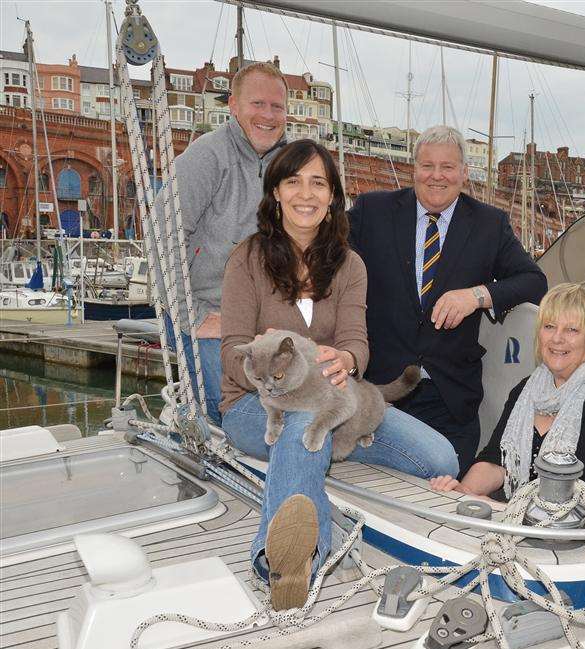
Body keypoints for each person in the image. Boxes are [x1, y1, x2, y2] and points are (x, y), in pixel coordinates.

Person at [219, 139, 459, 611]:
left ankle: (330, 452)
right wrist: (273, 375)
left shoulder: (350, 265)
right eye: (293, 182)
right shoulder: (246, 259)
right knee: (297, 430)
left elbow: (357, 344)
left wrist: (346, 361)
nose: (305, 194)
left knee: (441, 460)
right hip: (256, 405)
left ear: (332, 197)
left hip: (337, 401)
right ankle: (287, 562)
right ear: (276, 194)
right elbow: (231, 351)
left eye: (318, 183)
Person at [348, 125, 547, 475]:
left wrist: (477, 296)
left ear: (464, 173)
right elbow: (323, 257)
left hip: (451, 401)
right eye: (428, 166)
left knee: (447, 495)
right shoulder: (371, 212)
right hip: (380, 393)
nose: (436, 176)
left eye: (448, 167)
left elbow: (534, 282)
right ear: (414, 169)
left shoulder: (489, 224)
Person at [159, 62, 289, 425]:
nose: (268, 115)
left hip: (264, 317)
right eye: (257, 104)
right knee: (231, 409)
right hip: (204, 310)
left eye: (276, 107)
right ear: (233, 106)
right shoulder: (207, 157)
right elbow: (163, 236)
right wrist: (193, 317)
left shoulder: (293, 163)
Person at [429, 283, 585, 505]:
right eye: (549, 326)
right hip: (519, 513)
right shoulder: (526, 389)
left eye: (572, 330)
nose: (557, 338)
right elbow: (496, 460)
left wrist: (497, 507)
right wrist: (462, 493)